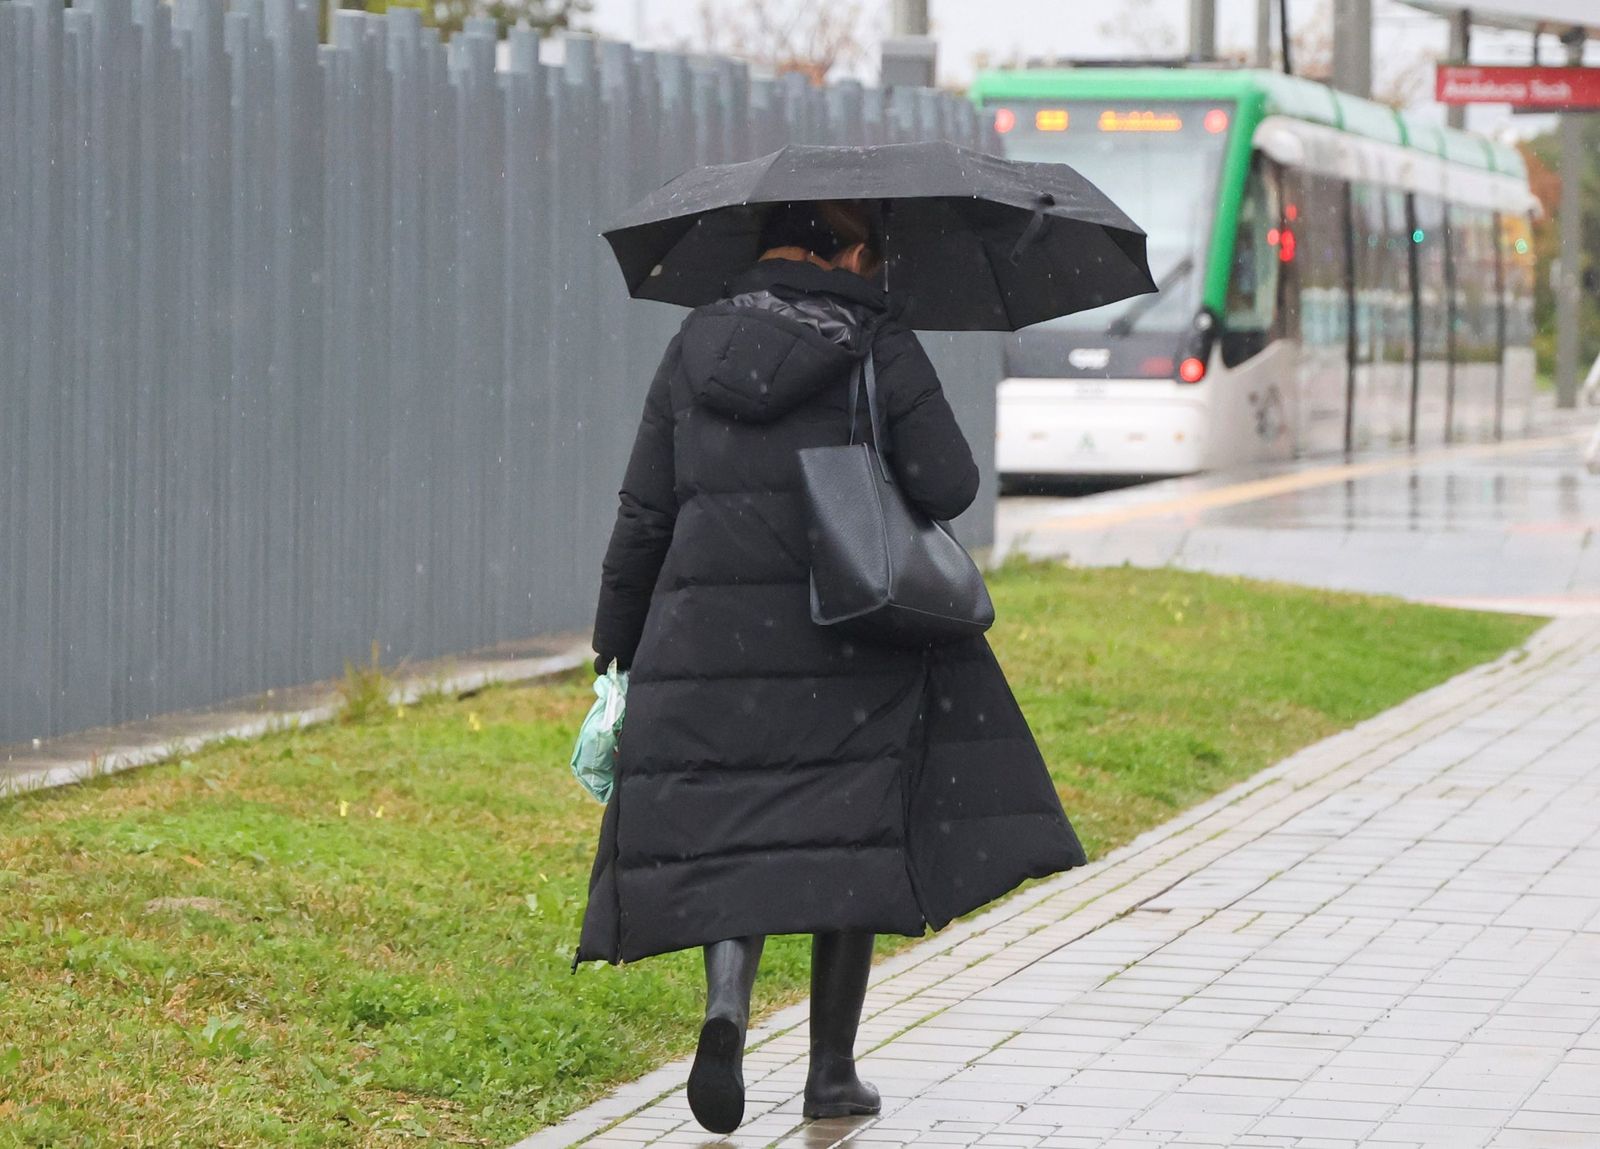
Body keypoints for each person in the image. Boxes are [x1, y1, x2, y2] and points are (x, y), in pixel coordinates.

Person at [576, 200, 1086, 1134]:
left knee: (736, 827)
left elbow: (645, 508)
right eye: (872, 255)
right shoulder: (873, 337)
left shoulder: (694, 345)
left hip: (706, 638)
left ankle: (725, 1010)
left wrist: (617, 638)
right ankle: (830, 1075)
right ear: (848, 250)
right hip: (842, 636)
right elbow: (949, 483)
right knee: (838, 840)